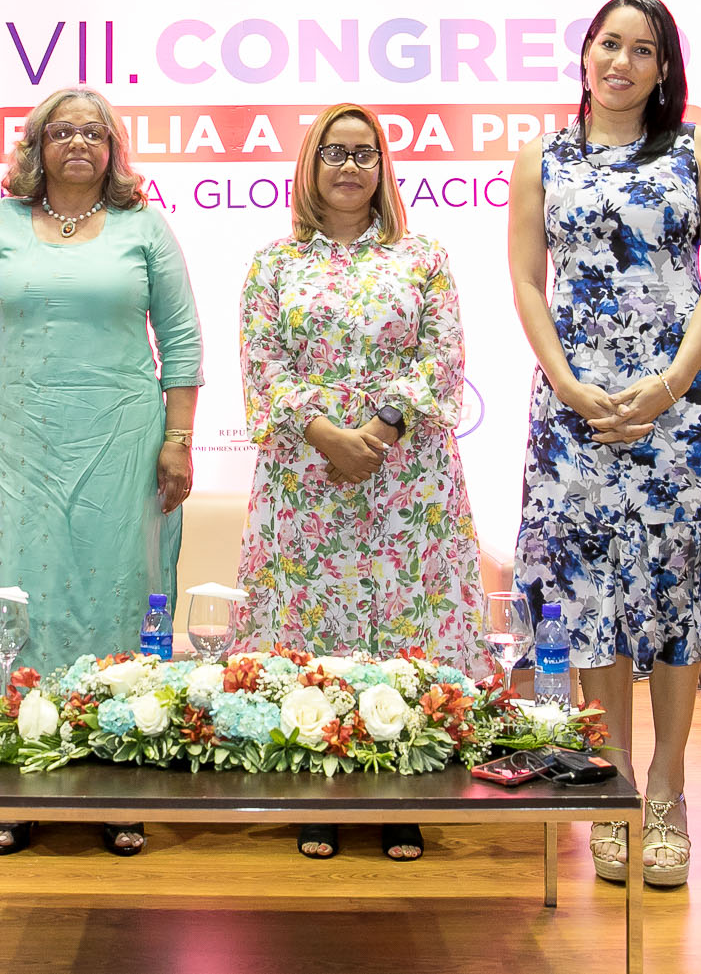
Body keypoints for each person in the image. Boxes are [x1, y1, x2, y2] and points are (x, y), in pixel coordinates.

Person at [508, 0, 701, 888]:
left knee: (677, 590)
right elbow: (527, 282)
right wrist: (567, 384)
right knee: (590, 591)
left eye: (642, 49)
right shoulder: (541, 156)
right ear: (585, 54)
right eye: (609, 43)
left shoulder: (697, 148)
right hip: (577, 407)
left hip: (686, 405)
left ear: (664, 67)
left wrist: (671, 382)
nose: (621, 62)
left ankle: (667, 786)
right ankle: (614, 782)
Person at [0, 87, 203, 858]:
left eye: (94, 132)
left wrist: (178, 438)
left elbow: (182, 342)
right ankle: (16, 784)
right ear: (37, 145)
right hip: (18, 442)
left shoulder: (143, 226)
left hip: (122, 443)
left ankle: (119, 782)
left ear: (113, 147)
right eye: (62, 131)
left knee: (118, 596)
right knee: (18, 598)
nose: (78, 143)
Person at [234, 102, 488, 863]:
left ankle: (405, 793)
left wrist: (378, 431)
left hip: (406, 480)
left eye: (364, 153)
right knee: (311, 629)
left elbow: (442, 357)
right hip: (305, 477)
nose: (350, 166)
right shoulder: (274, 263)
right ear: (310, 165)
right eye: (335, 152)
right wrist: (325, 435)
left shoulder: (424, 256)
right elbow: (263, 365)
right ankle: (317, 788)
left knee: (407, 628)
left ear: (383, 167)